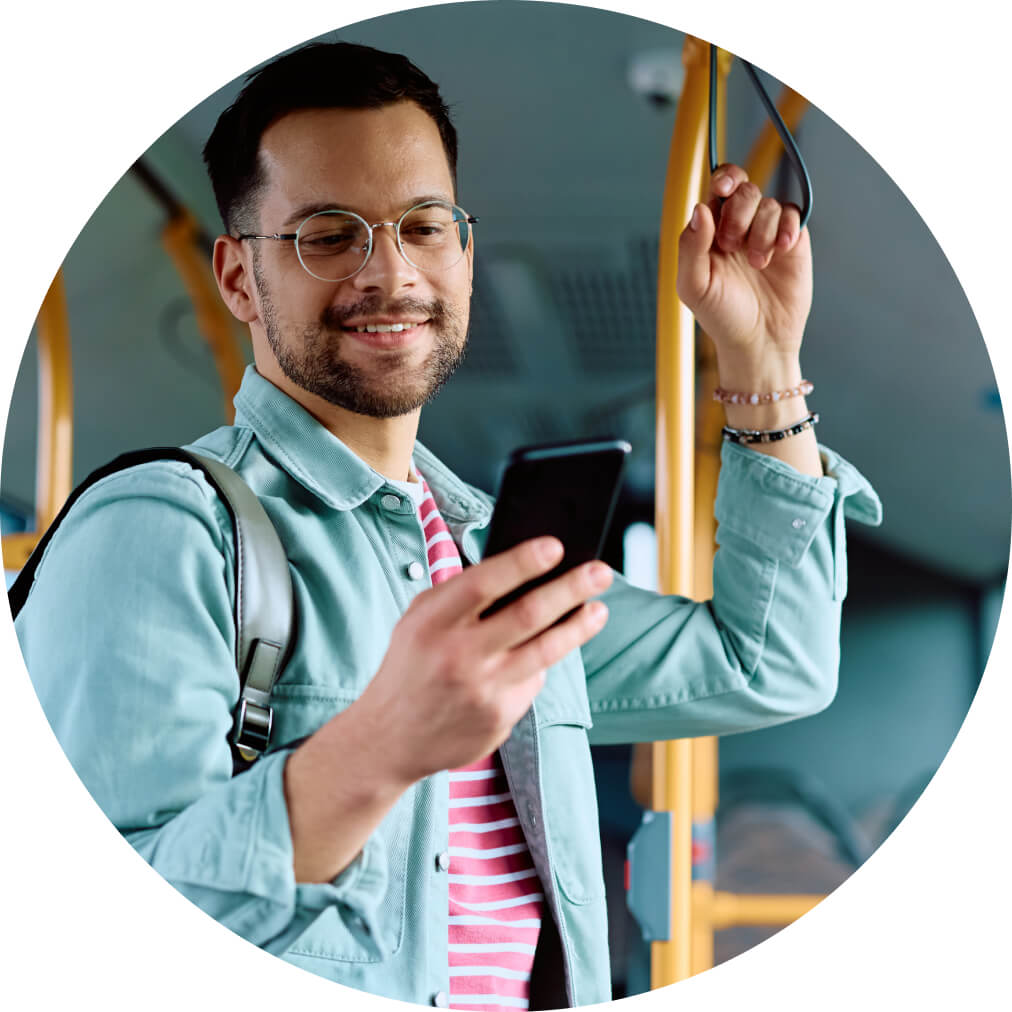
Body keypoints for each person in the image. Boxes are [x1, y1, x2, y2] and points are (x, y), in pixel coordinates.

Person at [16, 41, 881, 1011]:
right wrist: (380, 745)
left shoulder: (483, 559)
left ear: (463, 252)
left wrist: (760, 358)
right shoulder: (160, 532)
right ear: (236, 278)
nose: (390, 272)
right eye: (327, 235)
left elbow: (771, 661)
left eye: (423, 225)